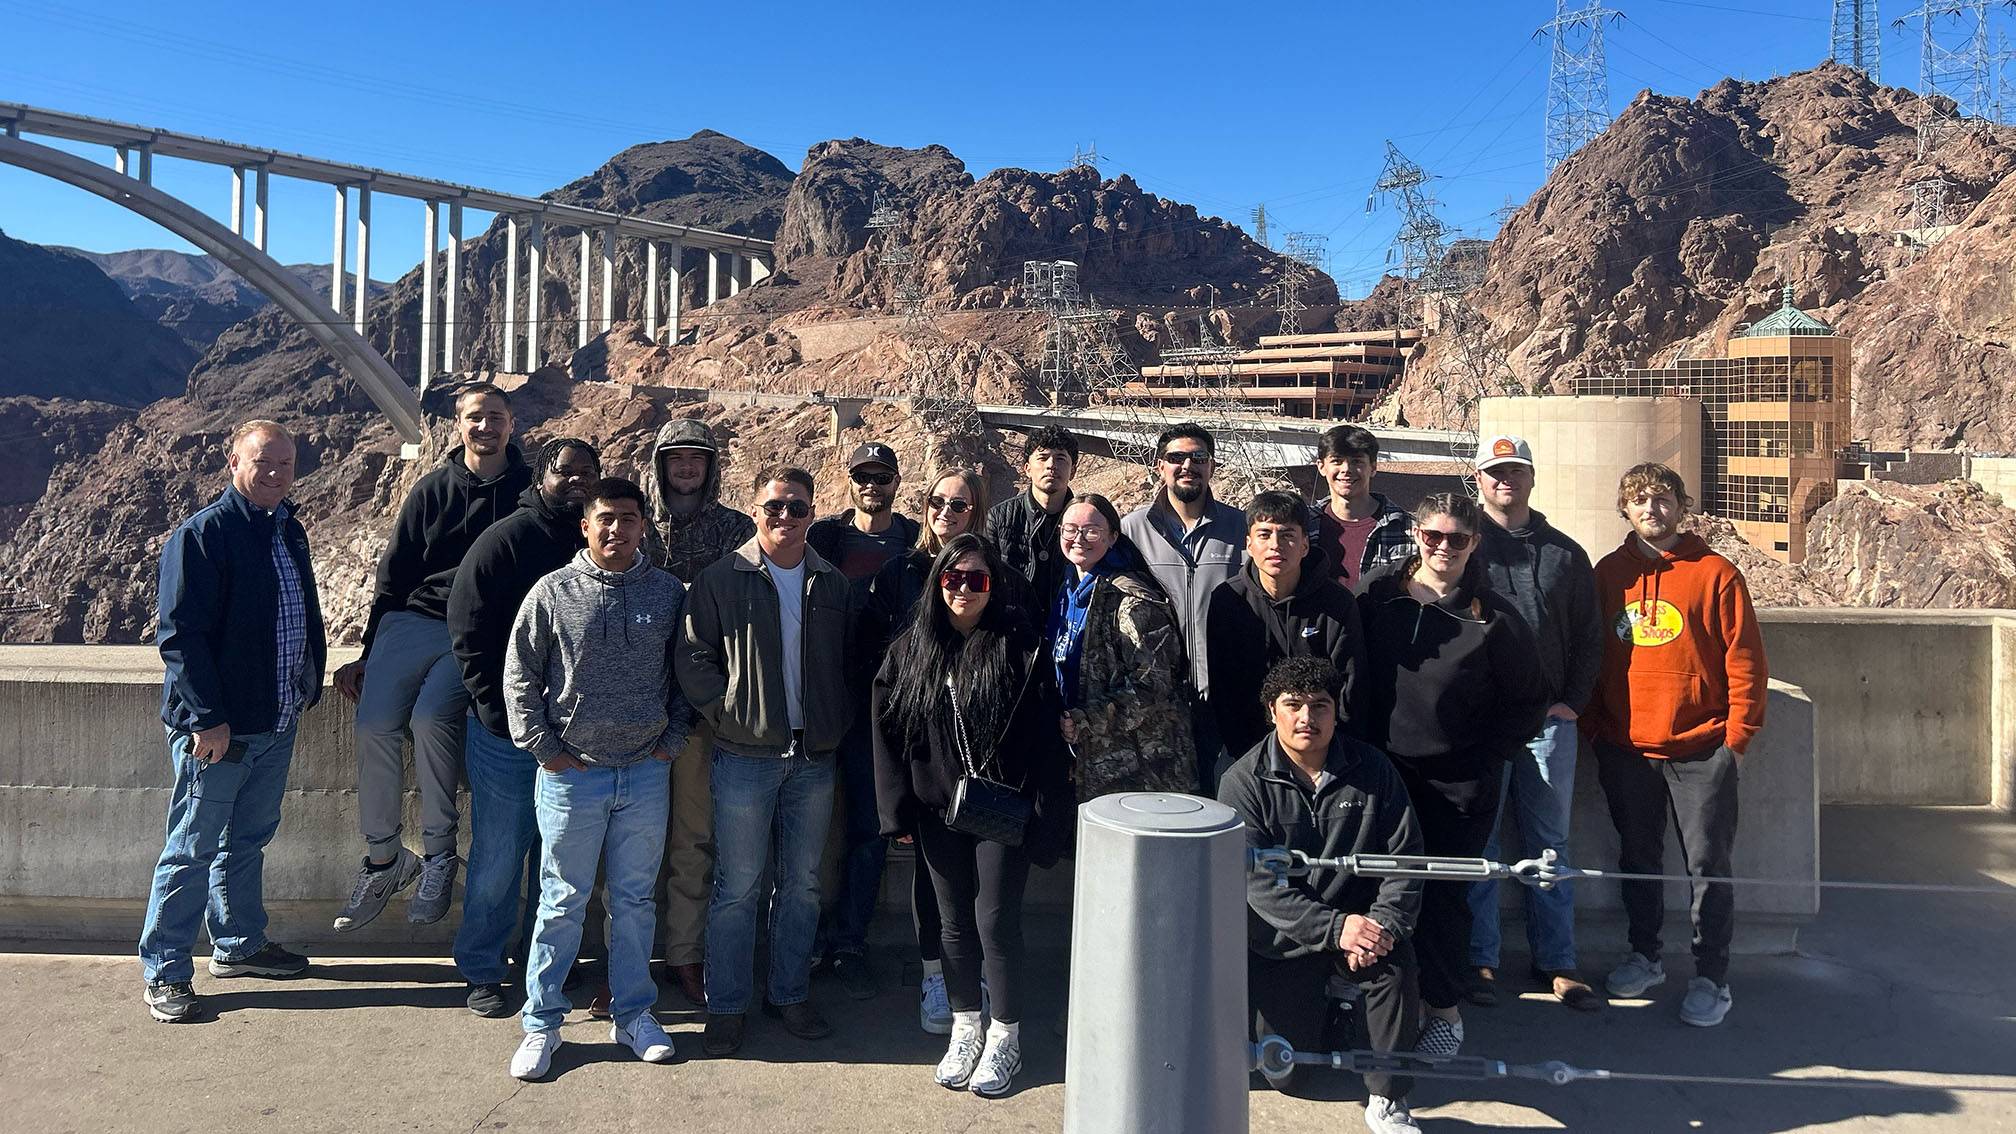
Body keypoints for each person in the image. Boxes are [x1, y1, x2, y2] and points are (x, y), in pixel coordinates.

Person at [501, 477, 692, 1080]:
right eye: (605, 518)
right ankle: (542, 1024)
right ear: (586, 525)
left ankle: (634, 1013)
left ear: (644, 525)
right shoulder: (552, 592)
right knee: (562, 902)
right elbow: (520, 674)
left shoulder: (667, 594)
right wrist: (545, 751)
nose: (617, 529)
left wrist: (670, 744)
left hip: (644, 774)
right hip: (571, 777)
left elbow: (689, 672)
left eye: (628, 519)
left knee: (634, 902)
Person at [871, 534, 1070, 1098]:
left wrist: (1044, 815)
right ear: (937, 582)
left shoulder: (1019, 644)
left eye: (977, 579)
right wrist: (897, 812)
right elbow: (886, 735)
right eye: (953, 578)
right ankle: (966, 1025)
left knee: (996, 921)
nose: (964, 589)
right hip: (937, 810)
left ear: (994, 585)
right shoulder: (912, 648)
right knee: (952, 921)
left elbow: (1044, 738)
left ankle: (1006, 1034)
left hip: (1002, 809)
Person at [140, 421, 323, 1022]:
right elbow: (180, 637)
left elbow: (299, 614)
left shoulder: (286, 529)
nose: (274, 474)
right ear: (232, 462)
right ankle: (165, 972)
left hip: (275, 718)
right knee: (192, 847)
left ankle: (240, 944)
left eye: (286, 464)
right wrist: (208, 719)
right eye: (262, 462)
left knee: (246, 841)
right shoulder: (202, 536)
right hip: (220, 729)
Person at [331, 382, 531, 932]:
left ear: (511, 424)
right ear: (458, 424)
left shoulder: (530, 491)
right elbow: (394, 575)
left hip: (478, 630)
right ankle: (386, 859)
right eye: (474, 417)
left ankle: (441, 855)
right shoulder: (431, 490)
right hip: (412, 623)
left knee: (430, 719)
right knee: (373, 723)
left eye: (495, 417)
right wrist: (369, 653)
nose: (485, 427)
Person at [1356, 493, 1547, 1056]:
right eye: (1433, 536)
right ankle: (1385, 1005)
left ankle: (1443, 1007)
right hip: (1382, 776)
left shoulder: (1495, 618)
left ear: (1474, 544)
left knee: (1443, 899)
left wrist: (1487, 758)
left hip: (1459, 785)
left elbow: (1528, 700)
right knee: (1374, 891)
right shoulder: (1376, 596)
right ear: (1416, 535)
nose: (1443, 547)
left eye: (1457, 539)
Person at [676, 465, 853, 1056]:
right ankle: (727, 1007)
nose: (785, 517)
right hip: (744, 756)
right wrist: (728, 716)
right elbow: (694, 657)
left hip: (814, 757)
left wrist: (837, 718)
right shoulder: (722, 579)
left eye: (797, 508)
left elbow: (850, 662)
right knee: (738, 886)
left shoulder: (830, 583)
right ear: (755, 510)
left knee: (802, 885)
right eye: (774, 506)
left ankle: (789, 992)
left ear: (812, 513)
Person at [1586, 463, 1767, 1029]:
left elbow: (1746, 661)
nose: (1651, 509)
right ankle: (1646, 955)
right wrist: (1597, 724)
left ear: (1682, 506)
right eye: (1638, 500)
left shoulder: (1717, 574)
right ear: (1625, 509)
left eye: (1662, 499)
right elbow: (1589, 654)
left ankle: (1711, 976)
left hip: (1700, 748)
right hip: (1626, 746)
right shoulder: (1607, 575)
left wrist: (1737, 737)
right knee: (1638, 860)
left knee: (1708, 864)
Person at [1218, 657, 1423, 1134]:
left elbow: (1405, 859)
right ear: (1272, 711)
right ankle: (1335, 1005)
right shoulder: (1242, 782)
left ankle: (1388, 1098)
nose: (1306, 717)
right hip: (1284, 943)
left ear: (1337, 712)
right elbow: (1256, 886)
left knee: (1395, 963)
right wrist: (1334, 930)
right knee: (1286, 1074)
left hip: (1364, 929)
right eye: (1293, 705)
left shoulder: (1374, 770)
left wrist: (1382, 927)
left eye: (1320, 706)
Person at [445, 436, 601, 1017]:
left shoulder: (594, 543)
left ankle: (546, 965)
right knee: (499, 856)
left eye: (590, 471)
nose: (579, 481)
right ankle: (482, 967)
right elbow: (467, 627)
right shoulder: (507, 539)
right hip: (507, 736)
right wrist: (495, 710)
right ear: (542, 477)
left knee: (558, 862)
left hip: (576, 737)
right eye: (567, 472)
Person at [1460, 435, 1607, 1012]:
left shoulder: (1565, 554)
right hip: (1484, 720)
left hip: (1547, 722)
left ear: (1531, 477)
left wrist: (1573, 699)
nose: (1505, 481)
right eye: (1495, 472)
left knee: (1549, 844)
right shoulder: (1462, 545)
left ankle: (1558, 961)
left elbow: (1591, 636)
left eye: (1515, 470)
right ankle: (1482, 959)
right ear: (1479, 479)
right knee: (1482, 843)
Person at [858, 468, 991, 1031]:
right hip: (920, 748)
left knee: (983, 885)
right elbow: (871, 662)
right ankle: (936, 975)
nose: (946, 511)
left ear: (975, 511)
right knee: (930, 877)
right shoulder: (900, 573)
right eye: (937, 502)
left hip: (981, 754)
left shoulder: (992, 572)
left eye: (959, 504)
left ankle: (977, 974)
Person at [642, 417, 756, 1009]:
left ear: (710, 467)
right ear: (659, 465)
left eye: (695, 459)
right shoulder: (635, 526)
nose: (685, 469)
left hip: (703, 714)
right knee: (626, 848)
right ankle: (623, 963)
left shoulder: (736, 530)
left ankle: (685, 954)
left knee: (693, 840)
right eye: (675, 459)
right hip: (633, 711)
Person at [807, 441, 921, 997]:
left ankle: (850, 939)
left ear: (897, 482)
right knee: (816, 822)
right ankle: (808, 937)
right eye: (862, 476)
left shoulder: (914, 542)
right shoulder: (823, 538)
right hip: (831, 697)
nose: (871, 485)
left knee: (871, 827)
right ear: (849, 481)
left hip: (895, 705)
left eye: (882, 476)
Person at [1204, 489, 1368, 776]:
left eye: (1288, 534)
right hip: (1248, 754)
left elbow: (1350, 688)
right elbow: (1224, 688)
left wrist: (1327, 755)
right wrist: (1249, 756)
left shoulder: (1336, 603)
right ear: (1249, 544)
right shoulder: (1228, 600)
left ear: (1305, 544)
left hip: (1323, 753)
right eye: (1265, 534)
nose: (1276, 545)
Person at [1120, 423, 1247, 790]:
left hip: (1223, 694)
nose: (1187, 465)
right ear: (1160, 466)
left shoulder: (1239, 527)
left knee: (1221, 795)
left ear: (1212, 466)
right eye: (1176, 457)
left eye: (1198, 457)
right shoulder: (1133, 529)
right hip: (1156, 695)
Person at [1051, 493, 1196, 799]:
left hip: (1137, 766)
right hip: (1087, 756)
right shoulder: (1067, 592)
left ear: (1113, 537)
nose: (1079, 538)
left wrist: (1086, 720)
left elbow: (1152, 687)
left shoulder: (1131, 601)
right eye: (1070, 529)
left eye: (1092, 530)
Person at [1310, 425, 1415, 592]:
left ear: (1373, 467)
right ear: (1321, 467)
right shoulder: (1305, 527)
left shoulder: (1407, 530)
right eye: (1337, 461)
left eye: (1356, 461)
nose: (1346, 469)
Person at [987, 425, 1079, 610]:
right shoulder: (999, 519)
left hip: (1068, 629)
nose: (1051, 465)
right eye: (1043, 457)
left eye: (1060, 458)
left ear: (1073, 471)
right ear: (1027, 469)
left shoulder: (1085, 521)